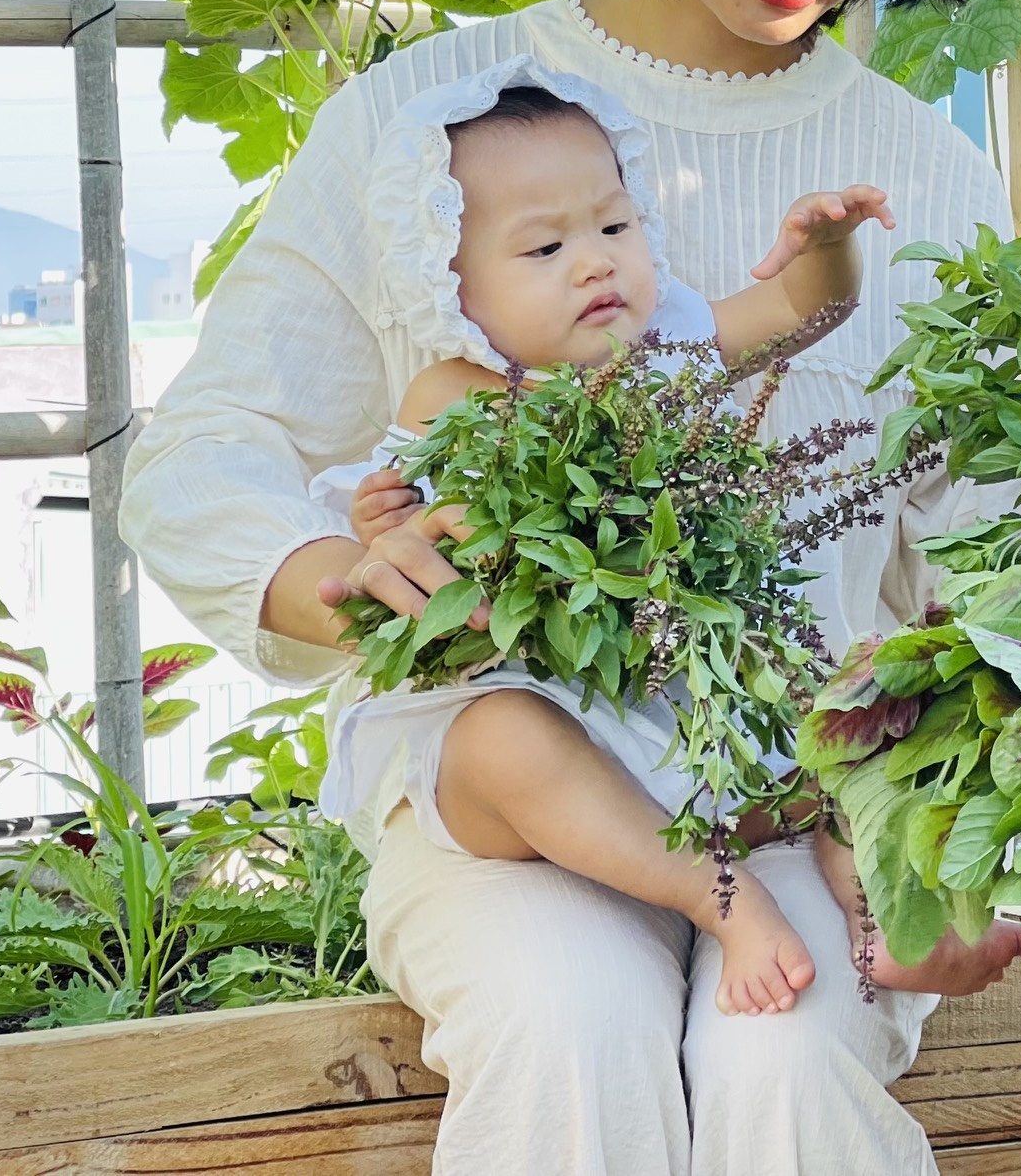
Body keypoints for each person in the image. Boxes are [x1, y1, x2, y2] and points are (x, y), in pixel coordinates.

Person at [121, 0, 1021, 1176]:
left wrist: (933, 811)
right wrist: (347, 575)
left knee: (781, 1056)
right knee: (569, 1016)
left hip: (790, 792)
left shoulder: (919, 172)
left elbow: (1011, 529)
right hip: (505, 778)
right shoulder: (433, 112)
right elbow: (204, 454)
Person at [311, 67, 896, 1019]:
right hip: (544, 708)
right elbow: (404, 548)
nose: (595, 263)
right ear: (447, 283)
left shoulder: (670, 349)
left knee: (831, 737)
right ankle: (719, 895)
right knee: (503, 741)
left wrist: (825, 249)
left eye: (615, 227)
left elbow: (806, 313)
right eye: (544, 246)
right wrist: (384, 523)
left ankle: (877, 912)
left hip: (683, 700)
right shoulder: (452, 397)